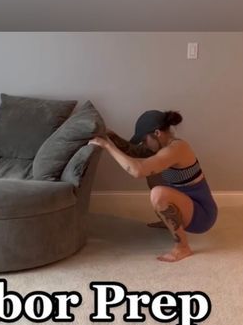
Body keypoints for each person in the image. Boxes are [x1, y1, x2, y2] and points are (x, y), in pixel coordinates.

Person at [88, 109, 218, 262]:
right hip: (187, 202)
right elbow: (134, 151)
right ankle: (168, 220)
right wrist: (111, 135)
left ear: (157, 133)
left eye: (144, 140)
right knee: (153, 176)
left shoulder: (176, 148)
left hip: (202, 214)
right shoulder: (162, 146)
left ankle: (182, 248)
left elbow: (137, 171)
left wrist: (107, 146)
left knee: (158, 193)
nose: (144, 144)